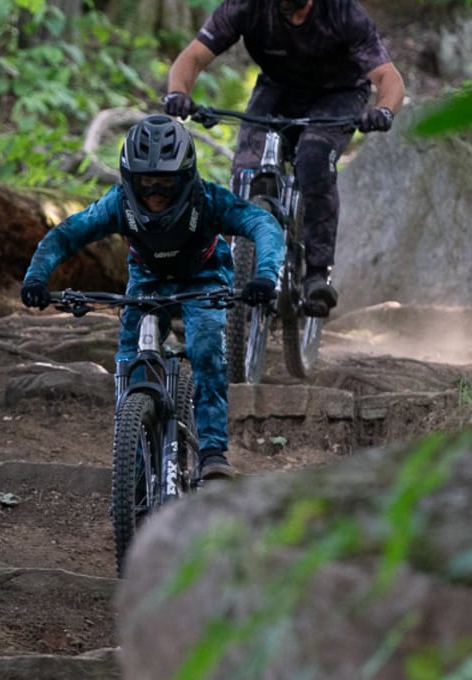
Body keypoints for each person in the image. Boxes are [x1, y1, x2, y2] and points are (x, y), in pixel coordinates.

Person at [162, 0, 406, 316]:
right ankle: (222, 271)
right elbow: (191, 58)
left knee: (313, 159)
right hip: (278, 90)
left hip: (339, 94)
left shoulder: (341, 9)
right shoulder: (246, 3)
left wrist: (382, 110)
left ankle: (316, 274)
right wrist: (178, 95)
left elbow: (387, 76)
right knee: (246, 170)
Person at [20, 114, 284, 481]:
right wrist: (36, 277)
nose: (156, 194)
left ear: (186, 177)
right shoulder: (117, 205)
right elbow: (66, 234)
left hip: (204, 276)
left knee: (206, 347)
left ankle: (212, 451)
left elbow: (262, 224)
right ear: (130, 179)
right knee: (131, 361)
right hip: (147, 280)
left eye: (167, 183)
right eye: (147, 183)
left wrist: (266, 275)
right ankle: (136, 456)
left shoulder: (208, 199)